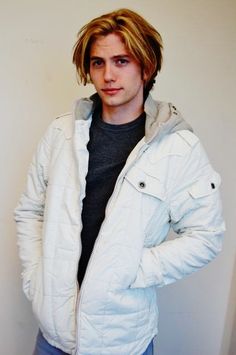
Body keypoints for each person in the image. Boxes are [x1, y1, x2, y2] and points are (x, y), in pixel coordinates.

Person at [14, 8, 225, 355]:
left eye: (122, 61)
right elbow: (30, 211)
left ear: (147, 66)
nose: (108, 75)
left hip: (122, 340)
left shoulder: (178, 147)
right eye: (98, 63)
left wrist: (132, 269)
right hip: (53, 335)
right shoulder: (60, 133)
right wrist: (36, 277)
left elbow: (206, 236)